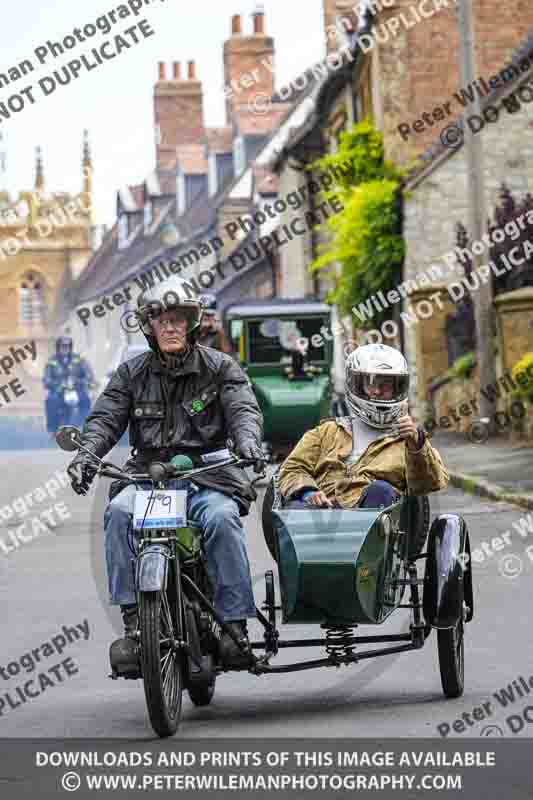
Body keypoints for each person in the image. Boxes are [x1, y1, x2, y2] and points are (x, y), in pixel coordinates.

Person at [65, 278, 264, 669]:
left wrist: (248, 442)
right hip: (149, 477)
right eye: (161, 320)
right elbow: (105, 418)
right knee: (119, 513)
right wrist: (86, 454)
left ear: (190, 323)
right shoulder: (130, 374)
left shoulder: (220, 367)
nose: (170, 327)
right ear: (148, 327)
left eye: (177, 319)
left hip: (208, 476)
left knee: (223, 519)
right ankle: (135, 625)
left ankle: (235, 627)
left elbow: (243, 409)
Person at [278, 343, 449, 509]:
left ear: (398, 388)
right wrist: (308, 492)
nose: (376, 391)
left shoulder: (410, 440)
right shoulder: (326, 431)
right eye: (371, 384)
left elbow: (429, 484)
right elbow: (291, 469)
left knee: (380, 490)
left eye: (385, 385)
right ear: (357, 385)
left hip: (377, 525)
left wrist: (415, 444)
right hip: (322, 516)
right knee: (295, 507)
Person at [43, 336, 95, 435]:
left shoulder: (78, 359)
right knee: (50, 400)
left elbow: (88, 374)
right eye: (62, 346)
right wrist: (57, 384)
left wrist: (82, 382)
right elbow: (47, 379)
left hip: (77, 389)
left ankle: (85, 427)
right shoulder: (52, 361)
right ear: (58, 347)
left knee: (86, 400)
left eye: (67, 346)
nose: (65, 348)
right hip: (59, 391)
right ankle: (52, 429)